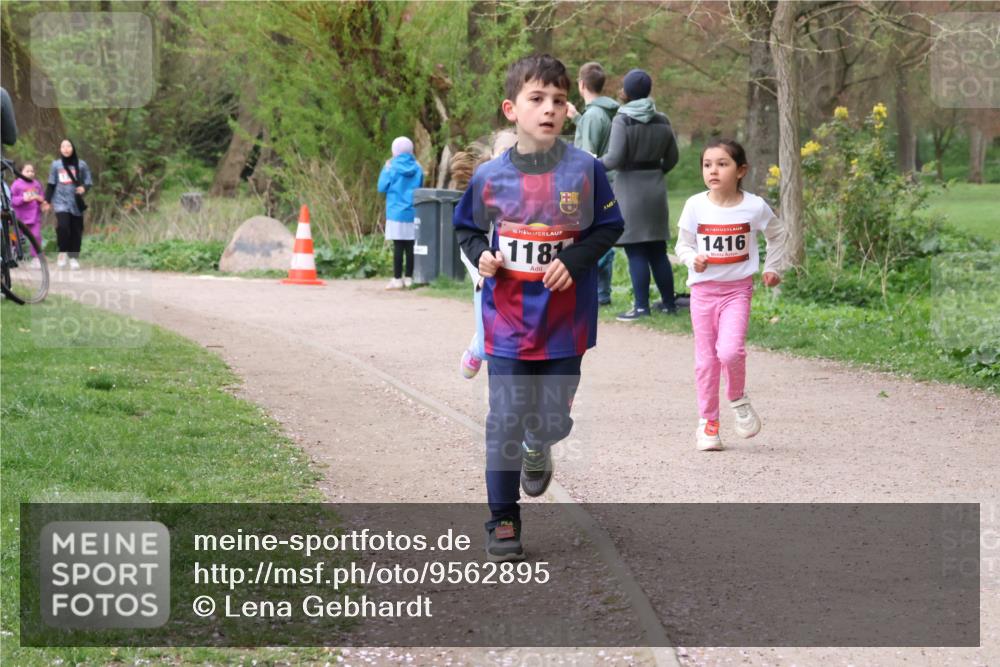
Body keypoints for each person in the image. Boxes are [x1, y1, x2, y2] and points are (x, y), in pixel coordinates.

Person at [453, 54, 624, 561]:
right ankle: (502, 520)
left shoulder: (586, 171)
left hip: (564, 324)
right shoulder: (489, 177)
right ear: (512, 109)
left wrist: (574, 258)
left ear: (567, 108)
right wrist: (480, 254)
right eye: (536, 98)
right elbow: (465, 227)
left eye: (557, 99)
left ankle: (539, 441)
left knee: (550, 419)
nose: (548, 108)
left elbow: (609, 228)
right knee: (503, 416)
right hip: (506, 322)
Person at [674, 139, 786, 452]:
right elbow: (682, 244)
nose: (714, 170)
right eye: (708, 164)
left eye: (723, 164)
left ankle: (737, 398)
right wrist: (690, 258)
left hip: (737, 291)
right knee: (706, 361)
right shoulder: (696, 205)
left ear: (741, 171)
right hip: (702, 292)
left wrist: (773, 267)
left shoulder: (754, 206)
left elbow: (777, 235)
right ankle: (708, 423)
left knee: (730, 352)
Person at [600, 68, 680, 321]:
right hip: (655, 188)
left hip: (629, 188)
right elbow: (673, 158)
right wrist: (656, 172)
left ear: (627, 91)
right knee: (658, 248)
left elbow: (614, 159)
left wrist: (592, 163)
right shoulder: (663, 120)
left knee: (635, 250)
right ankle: (668, 304)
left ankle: (641, 307)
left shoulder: (622, 119)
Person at [454, 129, 517, 380]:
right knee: (490, 344)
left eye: (516, 152)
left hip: (517, 276)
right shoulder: (483, 186)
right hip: (486, 276)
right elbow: (467, 239)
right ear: (493, 156)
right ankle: (476, 349)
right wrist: (479, 270)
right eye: (504, 152)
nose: (509, 159)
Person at [567, 62, 619, 306]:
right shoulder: (607, 111)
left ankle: (598, 294)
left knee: (594, 238)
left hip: (592, 185)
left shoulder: (593, 115)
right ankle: (601, 292)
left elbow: (587, 155)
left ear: (581, 85)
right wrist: (577, 118)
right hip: (608, 181)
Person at [378, 136, 424, 290]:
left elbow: (381, 187)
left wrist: (386, 169)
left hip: (395, 213)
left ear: (394, 150)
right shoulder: (417, 167)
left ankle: (397, 279)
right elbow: (421, 186)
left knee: (398, 246)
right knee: (410, 246)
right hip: (412, 211)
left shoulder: (391, 167)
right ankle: (409, 278)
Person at [44, 139, 92, 270]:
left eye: (68, 146)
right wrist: (47, 201)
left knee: (76, 230)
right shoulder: (56, 165)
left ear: (73, 148)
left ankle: (73, 258)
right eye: (63, 146)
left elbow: (88, 181)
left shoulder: (81, 165)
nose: (65, 148)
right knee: (63, 227)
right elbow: (51, 184)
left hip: (75, 202)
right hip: (60, 201)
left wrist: (84, 188)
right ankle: (62, 252)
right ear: (60, 149)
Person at [10, 163, 46, 266]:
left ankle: (36, 259)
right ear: (20, 173)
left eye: (32, 171)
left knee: (36, 236)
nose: (30, 173)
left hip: (34, 217)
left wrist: (41, 200)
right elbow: (11, 200)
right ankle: (13, 253)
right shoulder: (16, 184)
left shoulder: (37, 184)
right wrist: (23, 199)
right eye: (27, 171)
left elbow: (41, 197)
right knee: (16, 238)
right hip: (20, 217)